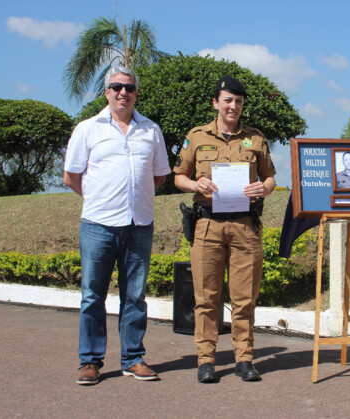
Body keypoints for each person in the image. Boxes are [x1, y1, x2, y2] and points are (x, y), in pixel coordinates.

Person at [63, 66, 171, 385]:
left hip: (139, 224)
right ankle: (91, 362)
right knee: (92, 295)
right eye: (116, 86)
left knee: (135, 296)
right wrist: (100, 198)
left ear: (136, 93)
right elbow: (71, 176)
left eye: (129, 87)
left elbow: (160, 174)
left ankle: (133, 359)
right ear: (107, 92)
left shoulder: (151, 130)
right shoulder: (87, 129)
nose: (123, 92)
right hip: (98, 225)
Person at [173, 76, 276, 383]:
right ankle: (206, 360)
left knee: (245, 298)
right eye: (228, 100)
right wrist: (195, 183)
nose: (234, 106)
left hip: (245, 227)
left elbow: (271, 178)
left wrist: (264, 188)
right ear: (216, 103)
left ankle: (244, 359)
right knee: (206, 298)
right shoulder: (197, 136)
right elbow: (179, 177)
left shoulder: (255, 139)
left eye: (239, 101)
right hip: (208, 226)